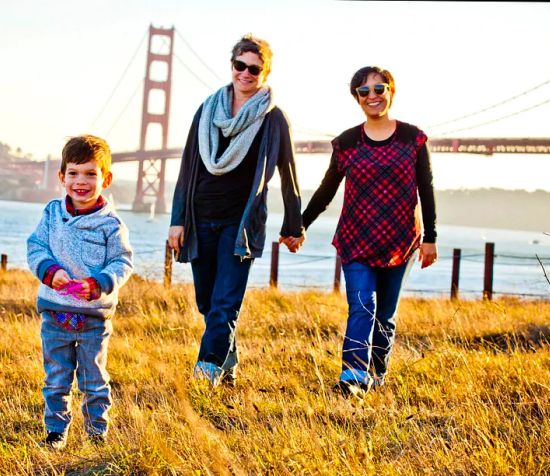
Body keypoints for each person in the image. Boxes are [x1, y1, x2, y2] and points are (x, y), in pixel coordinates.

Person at [168, 34, 305, 388]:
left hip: (239, 223)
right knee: (206, 302)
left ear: (265, 73)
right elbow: (187, 167)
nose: (246, 73)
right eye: (240, 65)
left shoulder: (273, 120)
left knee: (225, 303)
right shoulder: (207, 110)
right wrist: (177, 220)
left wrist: (294, 224)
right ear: (232, 66)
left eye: (254, 69)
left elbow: (288, 173)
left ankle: (206, 372)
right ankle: (227, 362)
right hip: (200, 218)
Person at [300, 66, 438, 397]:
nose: (372, 96)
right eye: (364, 91)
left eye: (379, 88)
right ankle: (353, 378)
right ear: (356, 98)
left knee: (385, 317)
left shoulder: (412, 138)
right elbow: (326, 189)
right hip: (356, 240)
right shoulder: (347, 142)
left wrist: (430, 238)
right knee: (362, 306)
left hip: (400, 241)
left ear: (391, 91)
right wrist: (300, 224)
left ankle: (375, 375)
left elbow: (426, 187)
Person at [27, 134, 133, 449]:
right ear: (62, 177)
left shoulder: (111, 225)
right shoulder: (51, 213)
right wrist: (50, 271)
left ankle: (96, 433)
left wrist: (98, 282)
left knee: (93, 379)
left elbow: (121, 262)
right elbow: (36, 247)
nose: (81, 181)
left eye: (90, 173)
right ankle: (56, 432)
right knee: (56, 377)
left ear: (106, 178)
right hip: (56, 311)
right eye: (73, 173)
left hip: (93, 316)